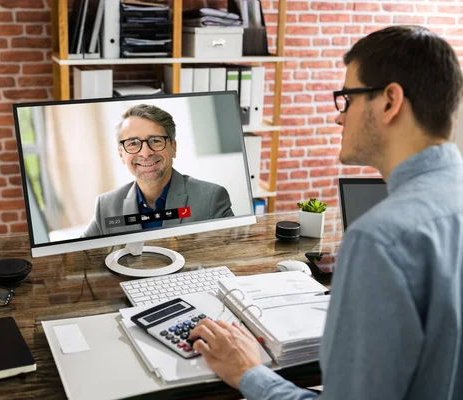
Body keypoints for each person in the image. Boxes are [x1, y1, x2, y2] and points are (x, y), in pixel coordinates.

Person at [189, 25, 463, 399]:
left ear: (389, 102)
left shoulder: (380, 239)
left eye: (347, 98)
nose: (339, 117)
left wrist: (249, 372)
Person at [82, 104, 234, 237]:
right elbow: (79, 255)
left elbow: (235, 253)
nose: (146, 153)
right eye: (133, 143)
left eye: (155, 141)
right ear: (121, 154)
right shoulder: (106, 206)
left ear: (173, 148)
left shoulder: (211, 199)